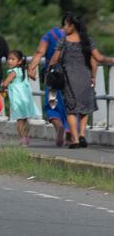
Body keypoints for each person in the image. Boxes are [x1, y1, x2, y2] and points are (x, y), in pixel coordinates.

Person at [46, 12, 112, 148]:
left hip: (69, 79)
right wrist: (110, 61)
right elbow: (98, 58)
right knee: (84, 108)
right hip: (85, 77)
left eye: (65, 25)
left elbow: (54, 59)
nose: (64, 28)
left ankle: (75, 140)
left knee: (71, 110)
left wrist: (49, 71)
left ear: (72, 26)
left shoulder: (63, 41)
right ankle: (82, 135)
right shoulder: (87, 40)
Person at [27, 24, 73, 146]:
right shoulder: (75, 36)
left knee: (52, 105)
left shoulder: (50, 35)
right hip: (72, 78)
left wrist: (31, 68)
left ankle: (59, 126)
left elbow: (39, 52)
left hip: (53, 79)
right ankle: (69, 136)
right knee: (70, 106)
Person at [0, 50, 39, 146]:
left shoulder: (13, 72)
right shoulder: (24, 70)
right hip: (26, 98)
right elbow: (34, 77)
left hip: (17, 98)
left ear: (19, 61)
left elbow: (5, 83)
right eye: (9, 59)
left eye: (13, 59)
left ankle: (22, 138)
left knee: (19, 119)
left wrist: (2, 89)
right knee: (25, 118)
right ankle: (26, 137)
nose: (9, 61)